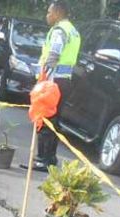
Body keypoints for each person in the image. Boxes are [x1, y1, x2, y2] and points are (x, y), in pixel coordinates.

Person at [22, 1, 81, 172]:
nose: (47, 15)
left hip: (53, 81)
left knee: (45, 118)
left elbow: (54, 55)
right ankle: (50, 158)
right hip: (65, 80)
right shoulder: (73, 30)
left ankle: (42, 159)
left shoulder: (59, 31)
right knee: (54, 119)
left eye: (49, 12)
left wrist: (43, 79)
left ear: (57, 12)